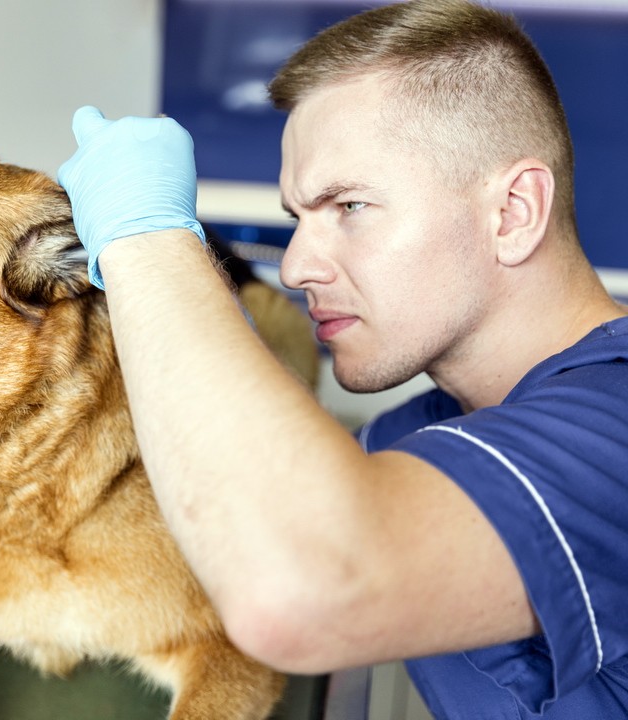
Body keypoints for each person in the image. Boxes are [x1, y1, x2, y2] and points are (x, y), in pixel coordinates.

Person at [57, 0, 628, 716]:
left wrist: (145, 240)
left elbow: (298, 591)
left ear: (512, 213)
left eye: (349, 207)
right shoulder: (412, 441)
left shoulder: (617, 418)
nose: (295, 268)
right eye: (301, 219)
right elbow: (237, 517)